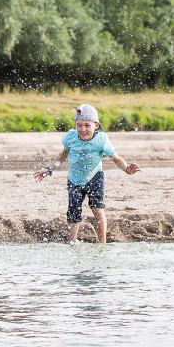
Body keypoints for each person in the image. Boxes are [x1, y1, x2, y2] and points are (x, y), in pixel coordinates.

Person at [33, 104, 140, 243]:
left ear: (96, 125)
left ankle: (102, 244)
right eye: (79, 125)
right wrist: (49, 169)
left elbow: (116, 158)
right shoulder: (71, 138)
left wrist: (126, 169)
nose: (83, 129)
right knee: (73, 211)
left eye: (87, 125)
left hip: (95, 176)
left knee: (97, 208)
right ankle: (72, 243)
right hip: (74, 179)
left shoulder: (101, 140)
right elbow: (62, 155)